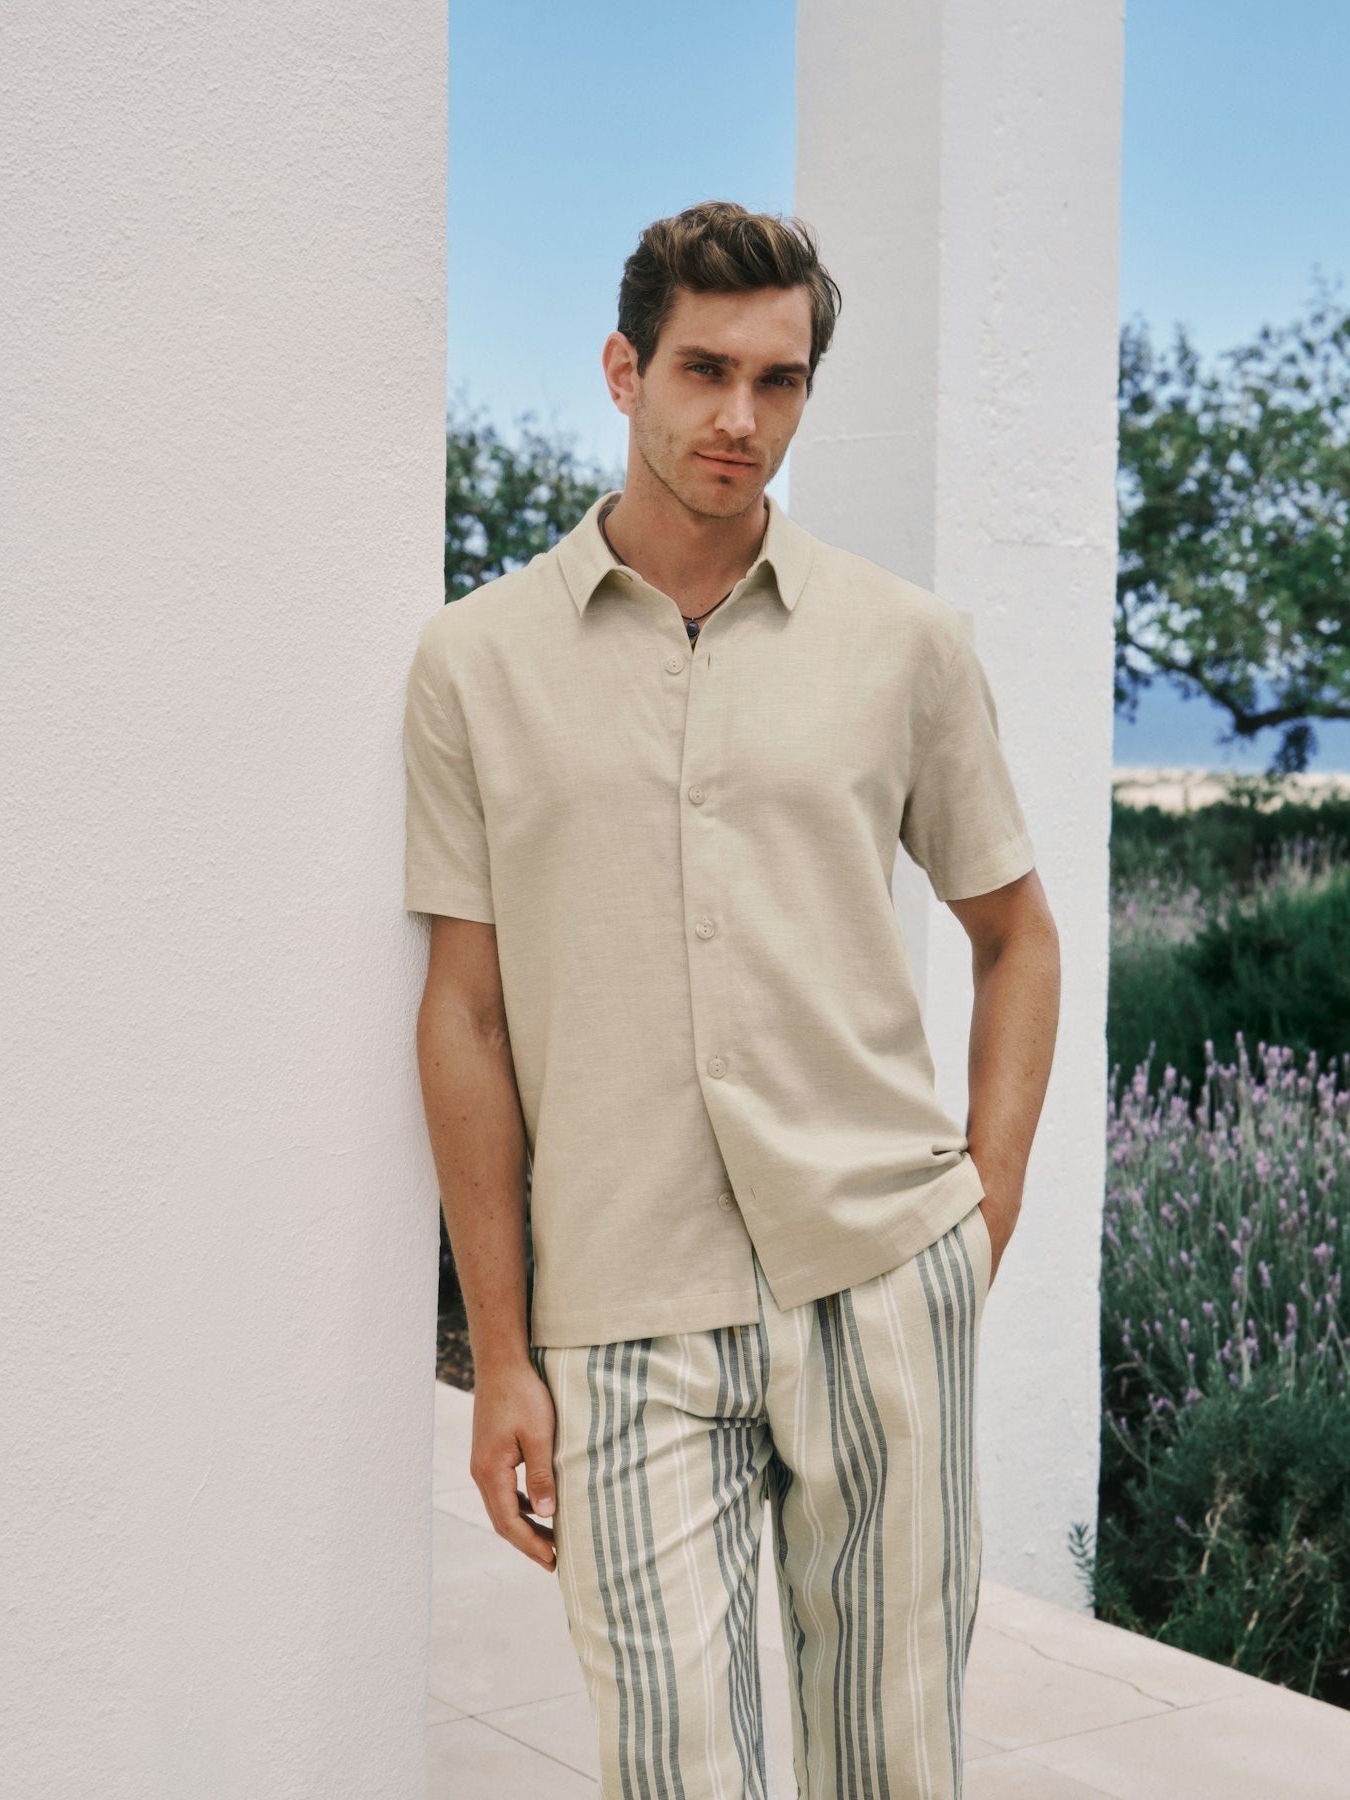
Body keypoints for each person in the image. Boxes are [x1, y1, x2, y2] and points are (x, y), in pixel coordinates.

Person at [404, 199, 1061, 1799]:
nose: (739, 420)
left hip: (881, 1272)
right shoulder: (475, 665)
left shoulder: (908, 647)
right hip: (623, 1309)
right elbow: (466, 1018)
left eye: (779, 382)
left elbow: (1018, 935)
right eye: (704, 371)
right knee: (677, 1765)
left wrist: (983, 1219)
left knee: (893, 1765)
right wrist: (502, 1352)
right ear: (623, 371)